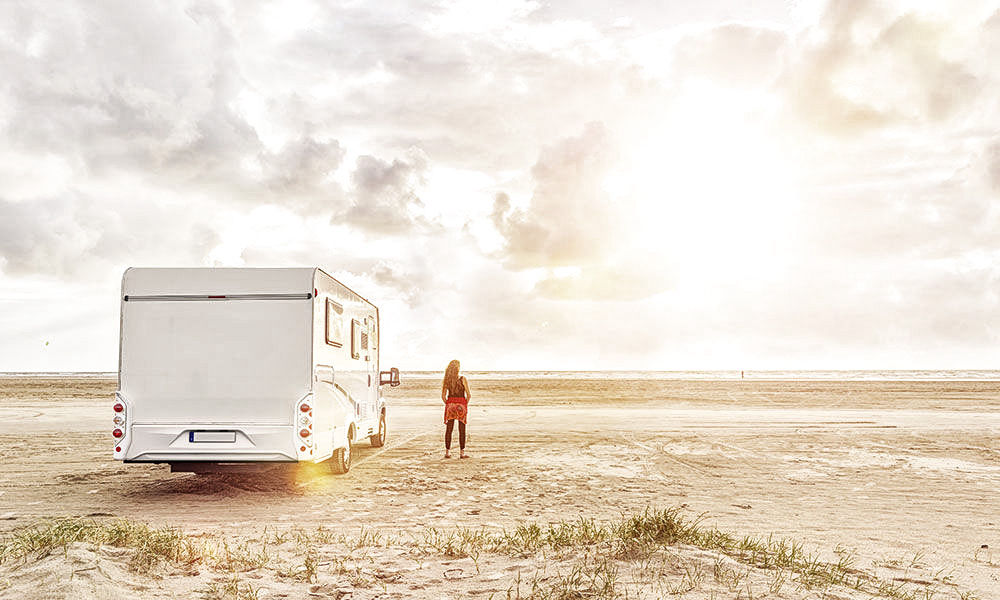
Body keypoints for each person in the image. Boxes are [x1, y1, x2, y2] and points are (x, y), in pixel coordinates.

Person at [441, 359, 470, 459]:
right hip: (461, 405)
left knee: (449, 429)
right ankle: (462, 453)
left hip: (450, 405)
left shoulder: (447, 380)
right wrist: (464, 404)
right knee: (462, 429)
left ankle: (447, 452)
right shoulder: (462, 379)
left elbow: (443, 396)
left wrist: (449, 404)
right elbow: (469, 395)